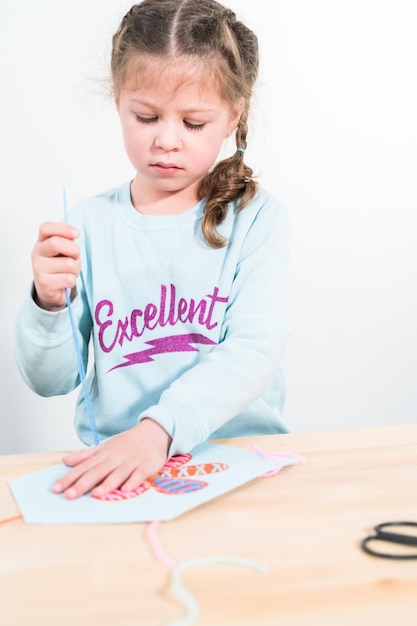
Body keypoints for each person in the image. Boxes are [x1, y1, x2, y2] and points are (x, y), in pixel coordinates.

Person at [14, 0, 291, 500]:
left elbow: (254, 352)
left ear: (234, 115)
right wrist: (46, 304)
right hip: (125, 473)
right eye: (146, 116)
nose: (167, 141)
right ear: (119, 100)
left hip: (239, 462)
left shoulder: (256, 219)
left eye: (193, 123)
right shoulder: (87, 225)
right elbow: (50, 382)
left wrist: (158, 431)